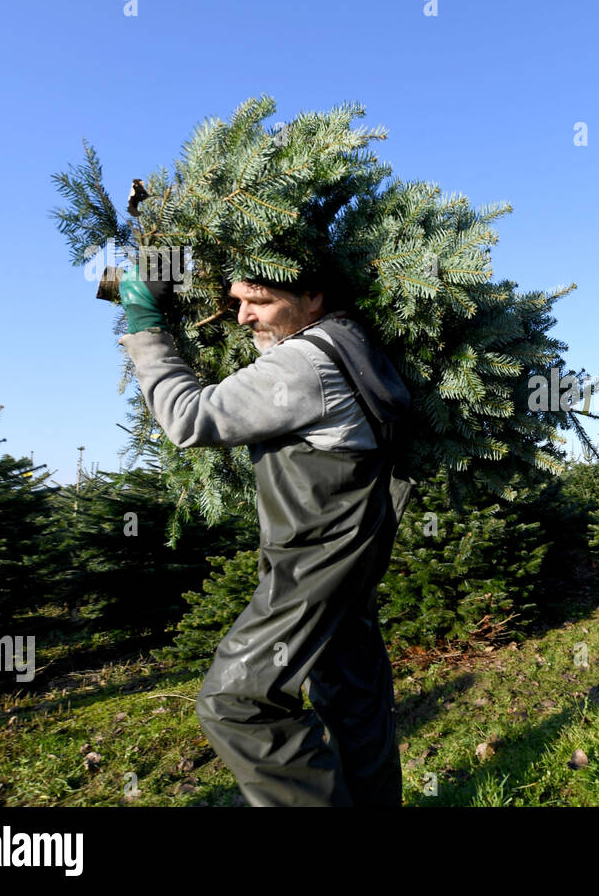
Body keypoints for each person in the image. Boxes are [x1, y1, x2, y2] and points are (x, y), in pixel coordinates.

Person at [115, 257, 416, 806]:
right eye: (236, 301)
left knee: (236, 702)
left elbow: (188, 417)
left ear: (314, 297)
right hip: (347, 556)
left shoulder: (302, 365)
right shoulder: (345, 341)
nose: (243, 317)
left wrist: (144, 324)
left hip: (311, 564)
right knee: (351, 691)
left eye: (260, 301)